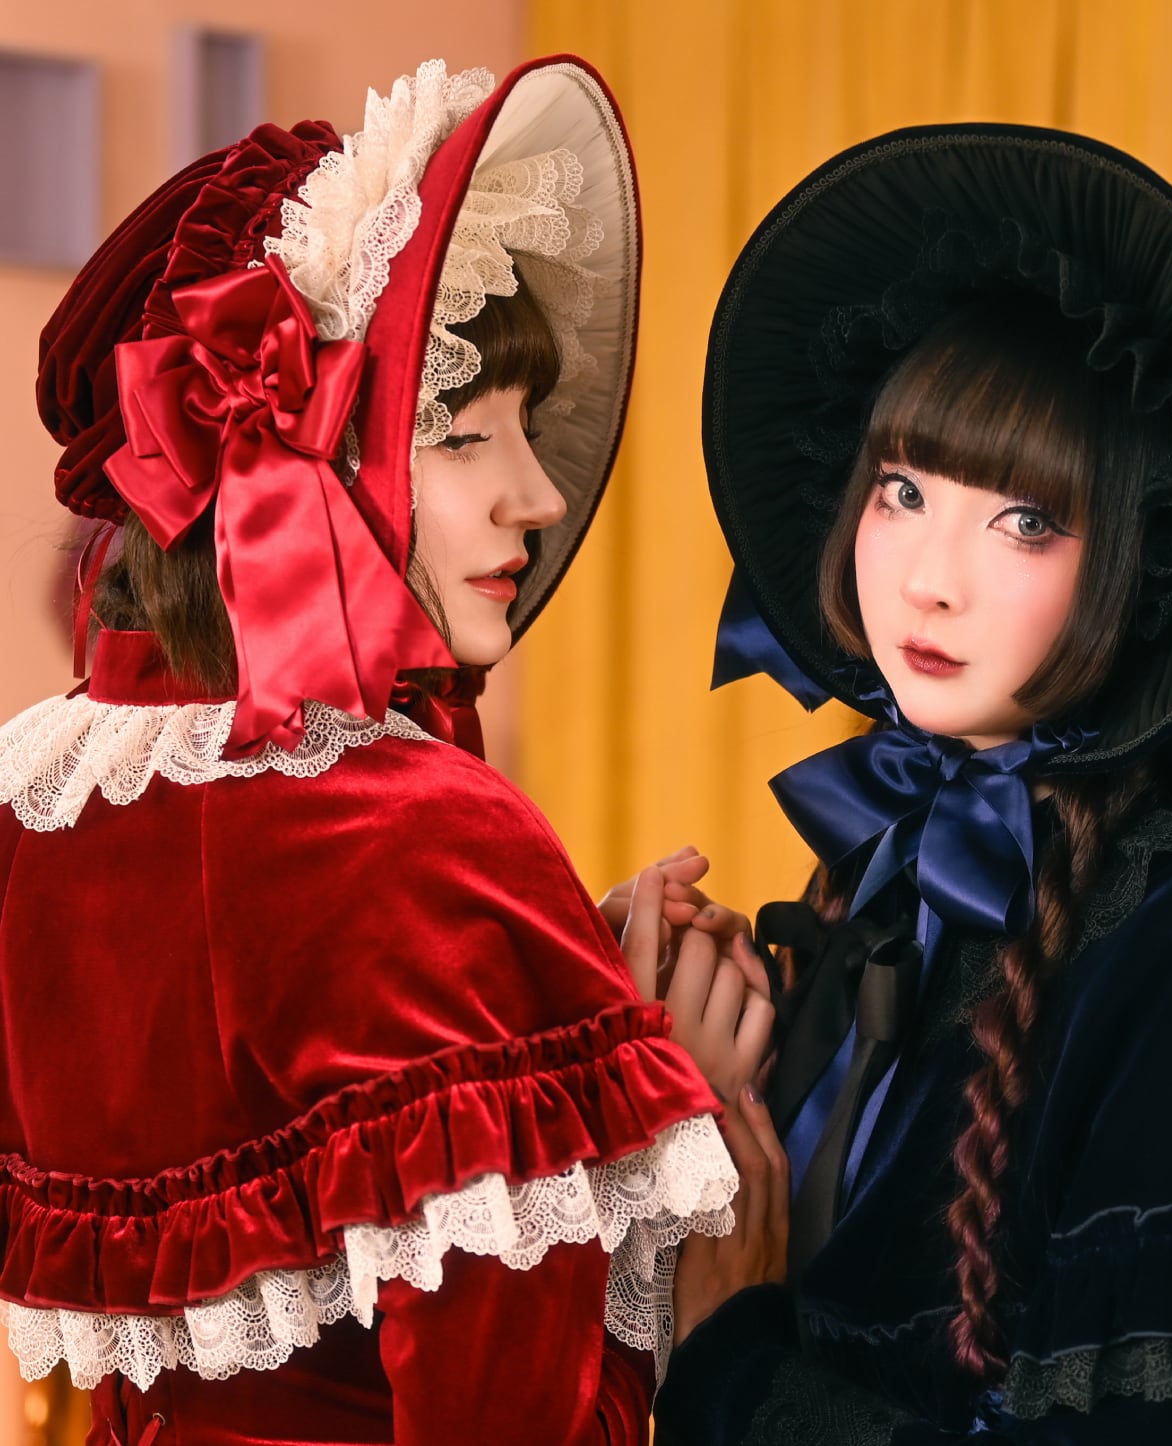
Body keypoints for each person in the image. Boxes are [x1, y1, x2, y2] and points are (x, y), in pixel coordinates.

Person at [652, 125, 1172, 1443]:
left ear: (1144, 561)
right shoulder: (886, 870)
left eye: (1023, 519)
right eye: (902, 489)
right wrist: (691, 1083)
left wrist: (729, 1361)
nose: (928, 579)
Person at [0, 58, 750, 1446]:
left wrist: (563, 1015)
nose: (536, 495)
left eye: (526, 430)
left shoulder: (42, 803)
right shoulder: (423, 836)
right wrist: (665, 1104)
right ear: (295, 467)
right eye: (462, 433)